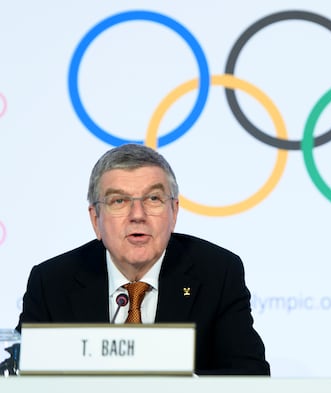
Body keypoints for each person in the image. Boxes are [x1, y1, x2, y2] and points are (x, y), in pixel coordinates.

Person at [17, 143, 270, 375]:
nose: (137, 215)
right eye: (119, 200)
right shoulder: (51, 283)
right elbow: (16, 374)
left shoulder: (217, 273)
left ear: (174, 212)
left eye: (153, 199)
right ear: (96, 219)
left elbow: (249, 377)